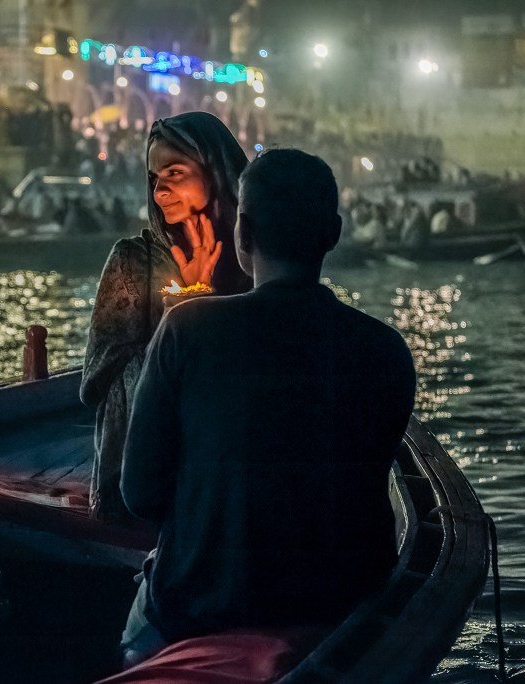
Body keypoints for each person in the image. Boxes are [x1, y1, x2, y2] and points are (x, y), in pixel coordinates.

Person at [112, 149, 417, 676]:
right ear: (334, 234)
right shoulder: (386, 350)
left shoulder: (187, 329)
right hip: (341, 614)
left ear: (244, 235)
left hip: (196, 612)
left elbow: (140, 495)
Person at [81, 112, 252, 521]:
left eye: (175, 172)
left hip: (234, 469)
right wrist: (182, 320)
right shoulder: (132, 261)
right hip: (145, 472)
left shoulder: (253, 258)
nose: (160, 191)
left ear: (215, 171)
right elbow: (94, 380)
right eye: (154, 178)